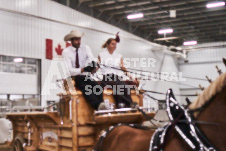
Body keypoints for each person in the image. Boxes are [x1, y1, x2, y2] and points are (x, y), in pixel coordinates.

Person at [62, 29, 106, 110]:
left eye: (79, 39)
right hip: (75, 77)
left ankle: (101, 105)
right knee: (86, 88)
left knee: (98, 87)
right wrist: (82, 69)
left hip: (85, 76)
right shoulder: (66, 52)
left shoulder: (85, 48)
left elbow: (91, 58)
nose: (78, 41)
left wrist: (91, 65)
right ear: (71, 41)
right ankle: (98, 106)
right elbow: (69, 70)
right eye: (76, 39)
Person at [97, 33, 139, 108]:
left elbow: (123, 69)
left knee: (125, 87)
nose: (115, 46)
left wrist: (132, 77)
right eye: (113, 44)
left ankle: (122, 105)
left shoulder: (118, 56)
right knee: (119, 86)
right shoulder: (101, 55)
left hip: (116, 77)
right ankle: (129, 103)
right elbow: (96, 67)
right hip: (107, 77)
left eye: (115, 44)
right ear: (107, 45)